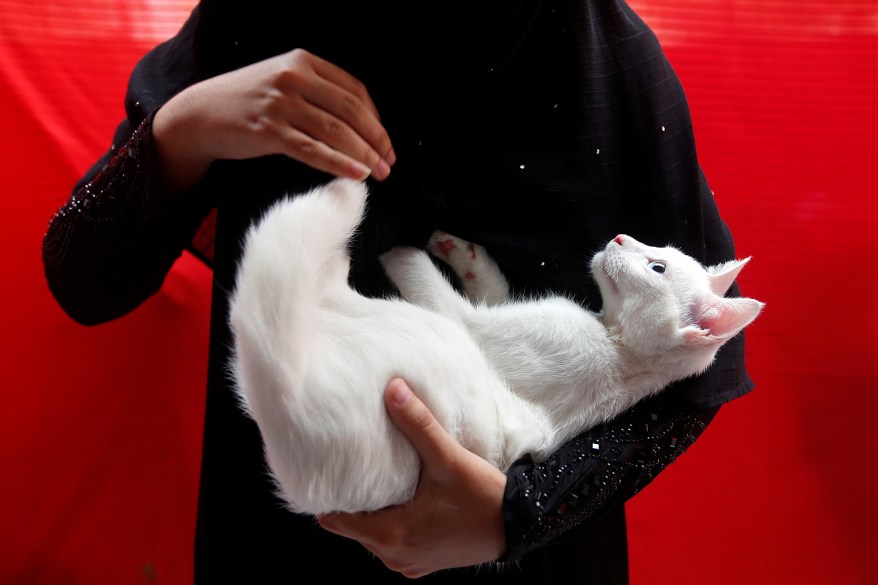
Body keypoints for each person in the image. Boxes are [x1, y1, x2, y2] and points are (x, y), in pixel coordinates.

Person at [42, 1, 755, 583]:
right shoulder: (259, 18)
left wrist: (522, 512)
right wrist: (189, 126)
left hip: (524, 563)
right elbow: (82, 275)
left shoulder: (607, 62)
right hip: (286, 540)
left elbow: (698, 368)